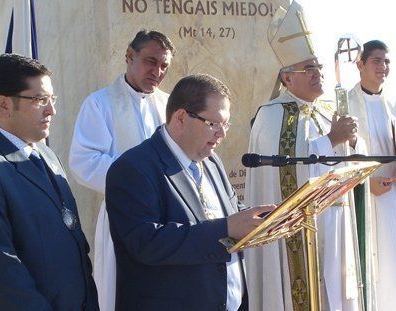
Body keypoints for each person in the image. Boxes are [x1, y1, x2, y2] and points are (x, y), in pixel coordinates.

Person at [106, 74, 275, 311]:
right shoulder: (133, 168)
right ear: (181, 118)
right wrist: (226, 228)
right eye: (213, 124)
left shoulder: (212, 161)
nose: (222, 134)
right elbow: (145, 243)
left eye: (226, 124)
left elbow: (229, 212)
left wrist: (263, 220)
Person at [0, 53, 99, 310]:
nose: (52, 110)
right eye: (40, 100)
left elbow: (74, 243)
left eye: (52, 99)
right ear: (4, 104)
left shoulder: (46, 154)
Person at [244, 1, 364, 310]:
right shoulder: (272, 116)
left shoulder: (326, 112)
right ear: (286, 78)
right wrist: (332, 140)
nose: (317, 73)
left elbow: (349, 160)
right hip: (298, 230)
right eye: (308, 69)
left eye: (319, 67)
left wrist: (350, 141)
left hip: (336, 222)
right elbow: (289, 172)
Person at [68, 29, 174, 311]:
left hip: (169, 215)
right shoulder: (99, 103)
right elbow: (85, 161)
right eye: (151, 61)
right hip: (124, 214)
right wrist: (141, 182)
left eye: (164, 65)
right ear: (129, 55)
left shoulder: (170, 106)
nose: (158, 71)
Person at [347, 40, 396, 310]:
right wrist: (365, 184)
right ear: (360, 64)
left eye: (387, 61)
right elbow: (341, 157)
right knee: (374, 265)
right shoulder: (347, 106)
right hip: (364, 200)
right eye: (376, 61)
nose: (383, 67)